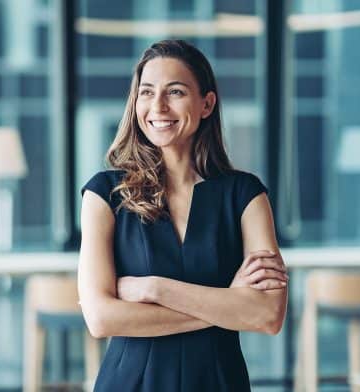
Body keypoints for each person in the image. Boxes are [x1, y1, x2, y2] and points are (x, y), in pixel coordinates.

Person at [78, 39, 288, 391]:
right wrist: (228, 303)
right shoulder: (105, 194)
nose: (157, 106)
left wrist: (152, 288)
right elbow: (100, 319)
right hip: (131, 383)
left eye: (174, 92)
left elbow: (267, 316)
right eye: (146, 92)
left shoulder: (245, 195)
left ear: (206, 104)